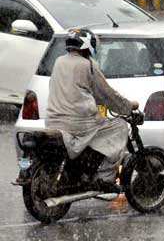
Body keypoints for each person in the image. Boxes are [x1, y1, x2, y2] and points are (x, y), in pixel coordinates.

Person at [45, 29, 139, 193]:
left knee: (99, 130)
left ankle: (83, 170)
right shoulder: (88, 65)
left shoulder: (59, 61)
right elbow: (107, 95)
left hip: (52, 121)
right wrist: (128, 106)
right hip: (79, 122)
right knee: (119, 126)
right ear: (88, 45)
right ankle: (104, 178)